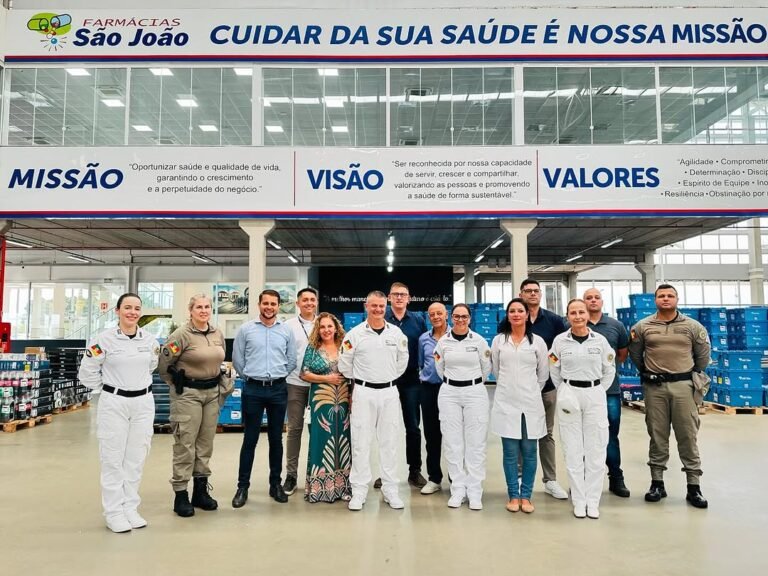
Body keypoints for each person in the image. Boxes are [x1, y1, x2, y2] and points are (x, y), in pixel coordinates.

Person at [78, 293, 159, 533]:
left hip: (143, 403)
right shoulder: (103, 340)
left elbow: (152, 366)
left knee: (136, 458)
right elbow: (87, 373)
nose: (132, 312)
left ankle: (130, 508)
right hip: (114, 403)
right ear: (117, 311)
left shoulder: (150, 341)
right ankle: (113, 512)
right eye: (127, 308)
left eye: (137, 308)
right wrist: (109, 388)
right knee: (113, 459)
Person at [628, 284, 711, 509]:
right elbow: (635, 354)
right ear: (655, 300)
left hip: (684, 387)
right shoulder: (643, 326)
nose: (666, 299)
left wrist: (688, 374)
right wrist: (648, 372)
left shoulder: (693, 327)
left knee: (688, 435)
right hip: (655, 388)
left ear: (677, 299)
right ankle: (657, 483)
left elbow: (703, 357)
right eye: (661, 296)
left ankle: (694, 486)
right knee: (657, 435)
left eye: (670, 295)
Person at [159, 294, 231, 518]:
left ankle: (200, 491)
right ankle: (181, 494)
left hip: (212, 393)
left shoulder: (217, 333)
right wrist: (179, 386)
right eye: (199, 307)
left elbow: (221, 359)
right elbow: (164, 365)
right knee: (185, 444)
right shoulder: (181, 335)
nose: (203, 310)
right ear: (190, 310)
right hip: (188, 394)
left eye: (207, 306)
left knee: (204, 444)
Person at [338, 290, 409, 511]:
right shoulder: (354, 335)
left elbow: (402, 362)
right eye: (373, 306)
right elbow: (344, 364)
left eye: (381, 306)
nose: (378, 309)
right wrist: (363, 380)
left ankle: (390, 490)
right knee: (361, 442)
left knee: (390, 442)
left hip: (389, 393)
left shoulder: (396, 333)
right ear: (366, 306)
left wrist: (386, 377)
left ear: (386, 307)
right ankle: (359, 491)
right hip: (363, 392)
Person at [549, 299, 616, 520]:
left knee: (596, 449)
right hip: (569, 393)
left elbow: (609, 369)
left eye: (581, 312)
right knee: (573, 450)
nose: (577, 316)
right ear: (567, 316)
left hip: (595, 393)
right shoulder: (560, 341)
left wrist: (598, 390)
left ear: (587, 315)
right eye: (573, 313)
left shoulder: (600, 341)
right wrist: (565, 390)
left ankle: (592, 501)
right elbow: (554, 369)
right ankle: (579, 500)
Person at [231, 289, 297, 509]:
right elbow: (237, 360)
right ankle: (242, 487)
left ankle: (275, 484)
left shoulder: (286, 331)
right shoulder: (246, 329)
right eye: (266, 303)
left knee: (275, 440)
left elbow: (291, 360)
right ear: (259, 304)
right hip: (253, 390)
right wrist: (250, 377)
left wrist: (278, 376)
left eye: (273, 304)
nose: (269, 307)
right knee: (249, 439)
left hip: (278, 389)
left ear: (278, 306)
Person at [490, 298, 549, 514]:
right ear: (507, 315)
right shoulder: (499, 341)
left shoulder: (537, 342)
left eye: (520, 311)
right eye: (512, 311)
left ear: (527, 315)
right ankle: (513, 495)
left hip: (531, 403)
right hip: (506, 402)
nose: (516, 314)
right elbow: (496, 370)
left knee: (530, 452)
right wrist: (510, 388)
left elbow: (543, 374)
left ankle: (526, 496)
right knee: (510, 453)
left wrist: (530, 390)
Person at [434, 303, 492, 511]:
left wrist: (471, 383)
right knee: (453, 443)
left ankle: (475, 491)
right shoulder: (443, 342)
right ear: (451, 318)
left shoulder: (479, 341)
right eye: (457, 316)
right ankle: (458, 489)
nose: (460, 320)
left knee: (476, 444)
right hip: (449, 392)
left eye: (464, 316)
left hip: (475, 392)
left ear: (469, 318)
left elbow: (486, 368)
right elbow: (440, 368)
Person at [519, 278, 569, 500]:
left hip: (547, 388)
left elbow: (562, 349)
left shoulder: (554, 321)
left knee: (546, 434)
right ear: (521, 294)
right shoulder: (514, 318)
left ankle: (550, 480)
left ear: (540, 294)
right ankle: (520, 478)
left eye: (535, 291)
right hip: (521, 389)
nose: (532, 294)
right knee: (520, 433)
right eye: (528, 291)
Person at [300, 312, 352, 503]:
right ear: (318, 329)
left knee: (344, 441)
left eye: (330, 326)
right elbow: (304, 373)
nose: (326, 330)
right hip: (321, 401)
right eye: (322, 327)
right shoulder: (313, 347)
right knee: (320, 440)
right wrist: (327, 378)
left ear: (336, 328)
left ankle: (344, 487)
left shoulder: (345, 346)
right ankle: (319, 488)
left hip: (344, 399)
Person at [583, 288, 631, 498]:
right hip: (582, 391)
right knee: (583, 436)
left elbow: (622, 354)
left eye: (596, 297)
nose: (593, 301)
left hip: (609, 391)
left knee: (610, 435)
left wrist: (604, 375)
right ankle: (584, 479)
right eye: (588, 298)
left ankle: (616, 477)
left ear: (602, 302)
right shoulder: (573, 325)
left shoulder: (615, 326)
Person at [383, 282, 428, 489]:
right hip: (386, 381)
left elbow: (426, 347)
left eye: (403, 294)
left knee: (413, 428)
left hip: (411, 381)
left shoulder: (418, 320)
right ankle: (385, 473)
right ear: (389, 298)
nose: (399, 297)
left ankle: (414, 471)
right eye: (396, 294)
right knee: (386, 428)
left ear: (409, 298)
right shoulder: (381, 318)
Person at [282, 287, 319, 497]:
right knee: (294, 430)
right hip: (295, 384)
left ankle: (317, 474)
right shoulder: (288, 326)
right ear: (298, 303)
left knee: (318, 431)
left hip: (319, 386)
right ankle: (291, 475)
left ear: (316, 302)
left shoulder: (323, 323)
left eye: (312, 299)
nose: (309, 303)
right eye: (305, 300)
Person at [416, 302, 448, 495]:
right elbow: (421, 363)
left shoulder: (454, 336)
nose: (435, 317)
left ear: (446, 315)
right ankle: (434, 478)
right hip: (428, 390)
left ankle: (456, 479)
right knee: (431, 435)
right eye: (432, 314)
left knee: (453, 435)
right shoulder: (423, 339)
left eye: (439, 313)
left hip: (450, 390)